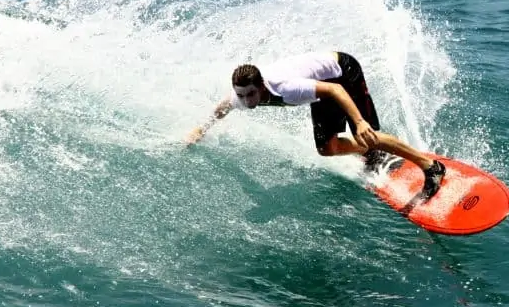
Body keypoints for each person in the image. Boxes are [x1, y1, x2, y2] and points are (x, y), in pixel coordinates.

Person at [185, 51, 446, 200]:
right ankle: (373, 153)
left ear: (262, 86)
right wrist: (200, 129)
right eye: (241, 95)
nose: (245, 101)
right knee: (327, 148)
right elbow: (222, 108)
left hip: (343, 74)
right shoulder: (243, 97)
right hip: (324, 87)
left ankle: (430, 166)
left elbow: (334, 89)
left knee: (367, 134)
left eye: (250, 94)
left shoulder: (287, 89)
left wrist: (359, 121)